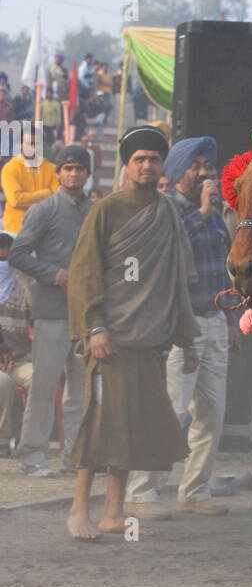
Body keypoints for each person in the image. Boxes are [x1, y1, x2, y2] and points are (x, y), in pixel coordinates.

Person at [65, 125, 201, 540]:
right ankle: (77, 509)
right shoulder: (105, 210)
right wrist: (95, 328)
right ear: (127, 165)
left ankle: (113, 512)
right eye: (140, 159)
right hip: (109, 344)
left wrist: (186, 337)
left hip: (148, 345)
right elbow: (84, 273)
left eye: (154, 159)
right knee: (100, 422)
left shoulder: (169, 215)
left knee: (129, 428)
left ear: (162, 167)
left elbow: (175, 281)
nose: (147, 165)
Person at [126, 136, 236, 517]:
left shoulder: (216, 213)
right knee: (172, 411)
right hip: (179, 326)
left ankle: (194, 491)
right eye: (197, 166)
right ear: (177, 173)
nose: (206, 173)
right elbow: (166, 253)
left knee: (211, 413)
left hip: (215, 321)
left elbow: (224, 268)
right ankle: (141, 491)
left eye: (209, 166)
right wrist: (202, 213)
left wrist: (232, 318)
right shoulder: (165, 208)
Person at [8, 144, 93, 474]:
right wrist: (54, 274)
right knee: (44, 386)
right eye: (67, 168)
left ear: (87, 174)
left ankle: (74, 457)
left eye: (79, 168)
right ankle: (32, 456)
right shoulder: (44, 210)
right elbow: (18, 255)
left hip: (86, 314)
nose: (74, 174)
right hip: (51, 311)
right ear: (57, 173)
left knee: (81, 391)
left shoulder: (94, 211)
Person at [0, 230, 33, 457]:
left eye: (7, 260)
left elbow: (38, 316)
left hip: (20, 360)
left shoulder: (23, 287)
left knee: (40, 379)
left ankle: (28, 442)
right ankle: (2, 442)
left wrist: (27, 279)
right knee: (1, 383)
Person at [0, 132, 60, 234]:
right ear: (20, 144)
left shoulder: (52, 169)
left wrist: (27, 199)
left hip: (45, 231)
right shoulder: (10, 168)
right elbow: (15, 200)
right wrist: (46, 193)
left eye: (37, 143)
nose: (33, 147)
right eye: (29, 143)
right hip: (16, 231)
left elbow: (59, 198)